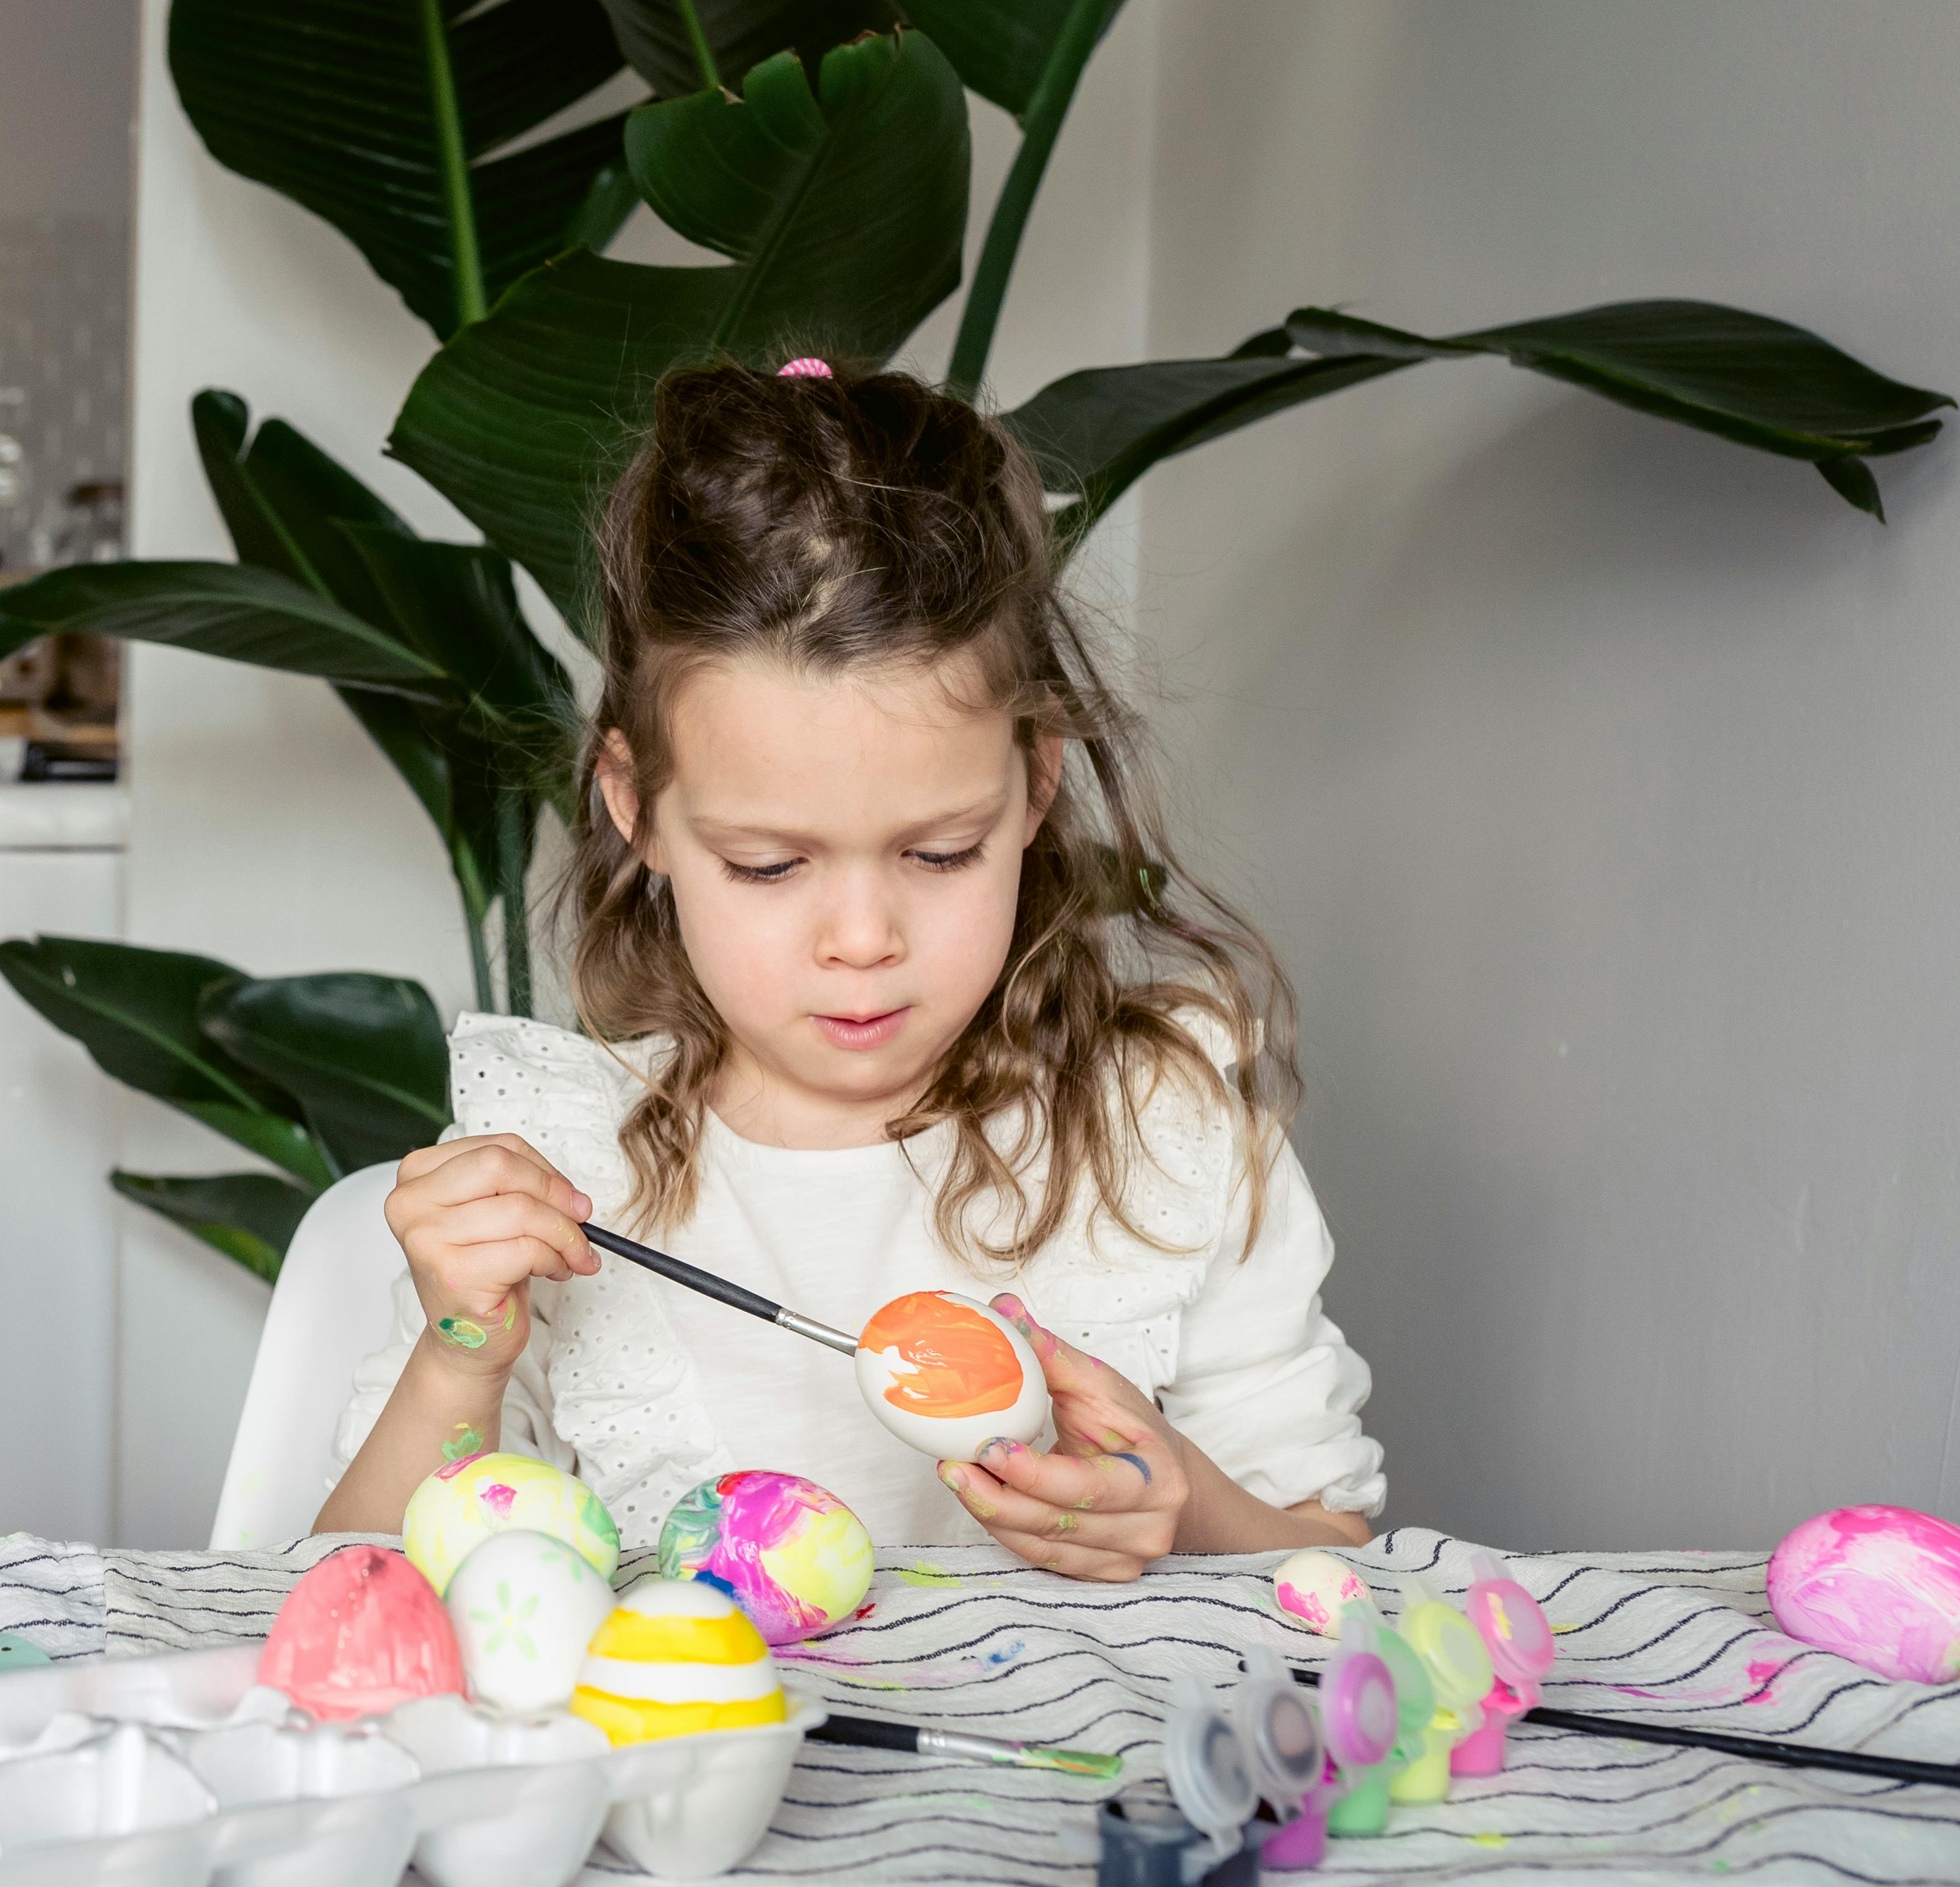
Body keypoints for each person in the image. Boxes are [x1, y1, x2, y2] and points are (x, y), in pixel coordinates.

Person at [314, 358, 1381, 1578]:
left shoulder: (1163, 1136)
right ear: (638, 810)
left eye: (939, 851)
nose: (863, 938)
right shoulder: (572, 1162)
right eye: (770, 865)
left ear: (1034, 785)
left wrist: (1183, 1506)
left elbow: (1331, 1557)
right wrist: (461, 1354)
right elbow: (352, 1602)